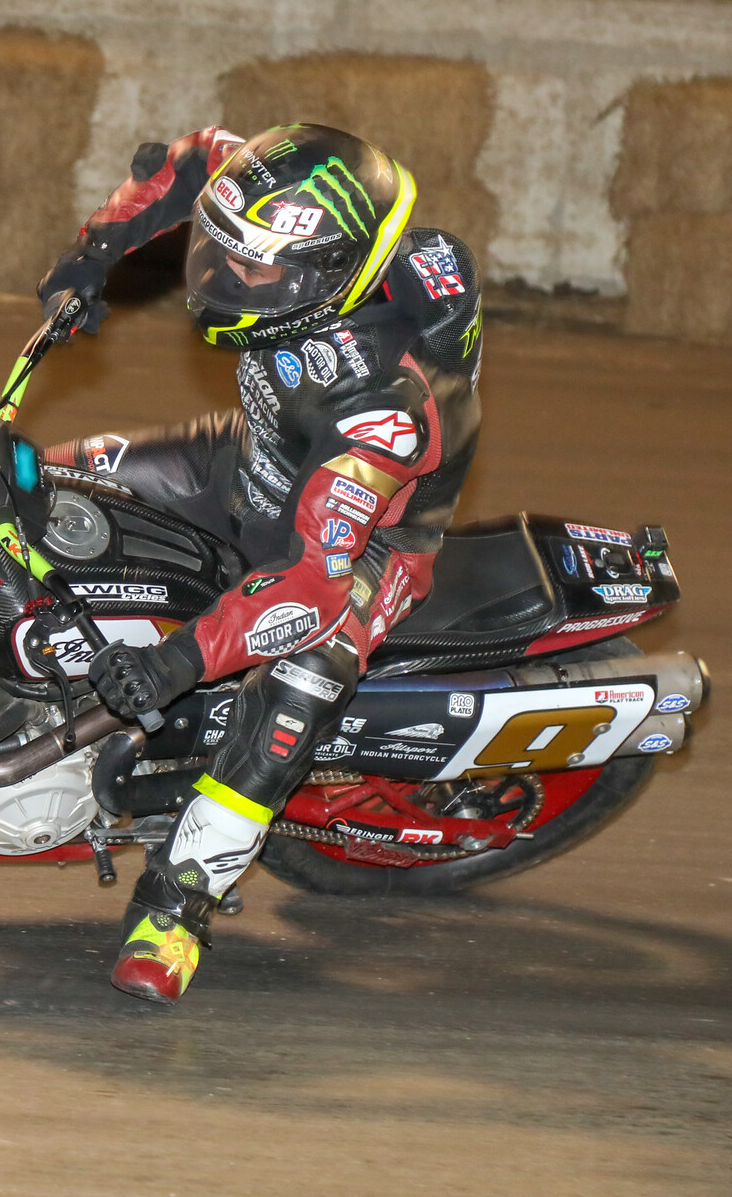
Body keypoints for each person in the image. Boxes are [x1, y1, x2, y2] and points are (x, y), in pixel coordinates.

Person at [35, 123, 483, 1005]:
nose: (225, 278)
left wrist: (174, 665)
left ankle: (176, 909)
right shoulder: (298, 212)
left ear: (336, 277)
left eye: (257, 271)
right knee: (43, 488)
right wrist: (93, 257)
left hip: (365, 539)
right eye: (223, 251)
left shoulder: (389, 403)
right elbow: (189, 159)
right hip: (252, 457)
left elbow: (312, 584)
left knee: (299, 684)